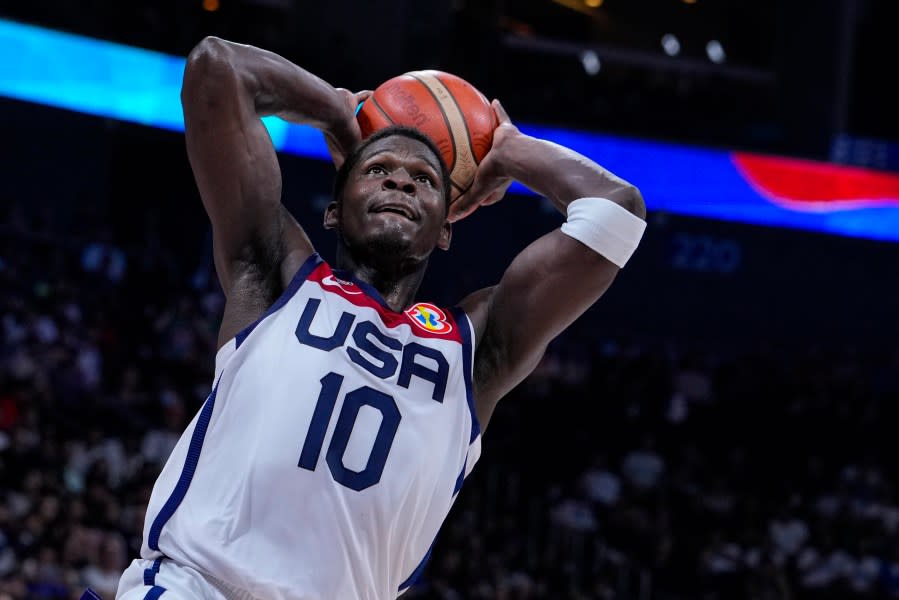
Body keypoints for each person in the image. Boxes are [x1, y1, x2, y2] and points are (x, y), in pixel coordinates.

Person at [114, 36, 646, 599]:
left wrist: (508, 149)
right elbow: (217, 71)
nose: (400, 180)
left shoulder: (476, 349)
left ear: (448, 225)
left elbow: (618, 214)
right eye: (379, 169)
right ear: (335, 210)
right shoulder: (274, 273)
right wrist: (338, 114)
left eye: (425, 180)